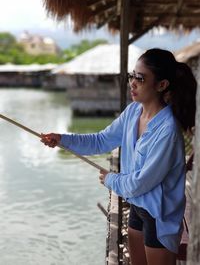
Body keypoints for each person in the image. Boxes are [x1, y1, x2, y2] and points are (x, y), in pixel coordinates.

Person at [41, 48, 197, 265]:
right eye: (133, 76)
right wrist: (62, 139)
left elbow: (141, 182)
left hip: (158, 215)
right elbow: (100, 141)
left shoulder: (167, 131)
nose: (132, 83)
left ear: (162, 85)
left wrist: (111, 179)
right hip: (137, 206)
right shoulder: (133, 112)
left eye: (140, 78)